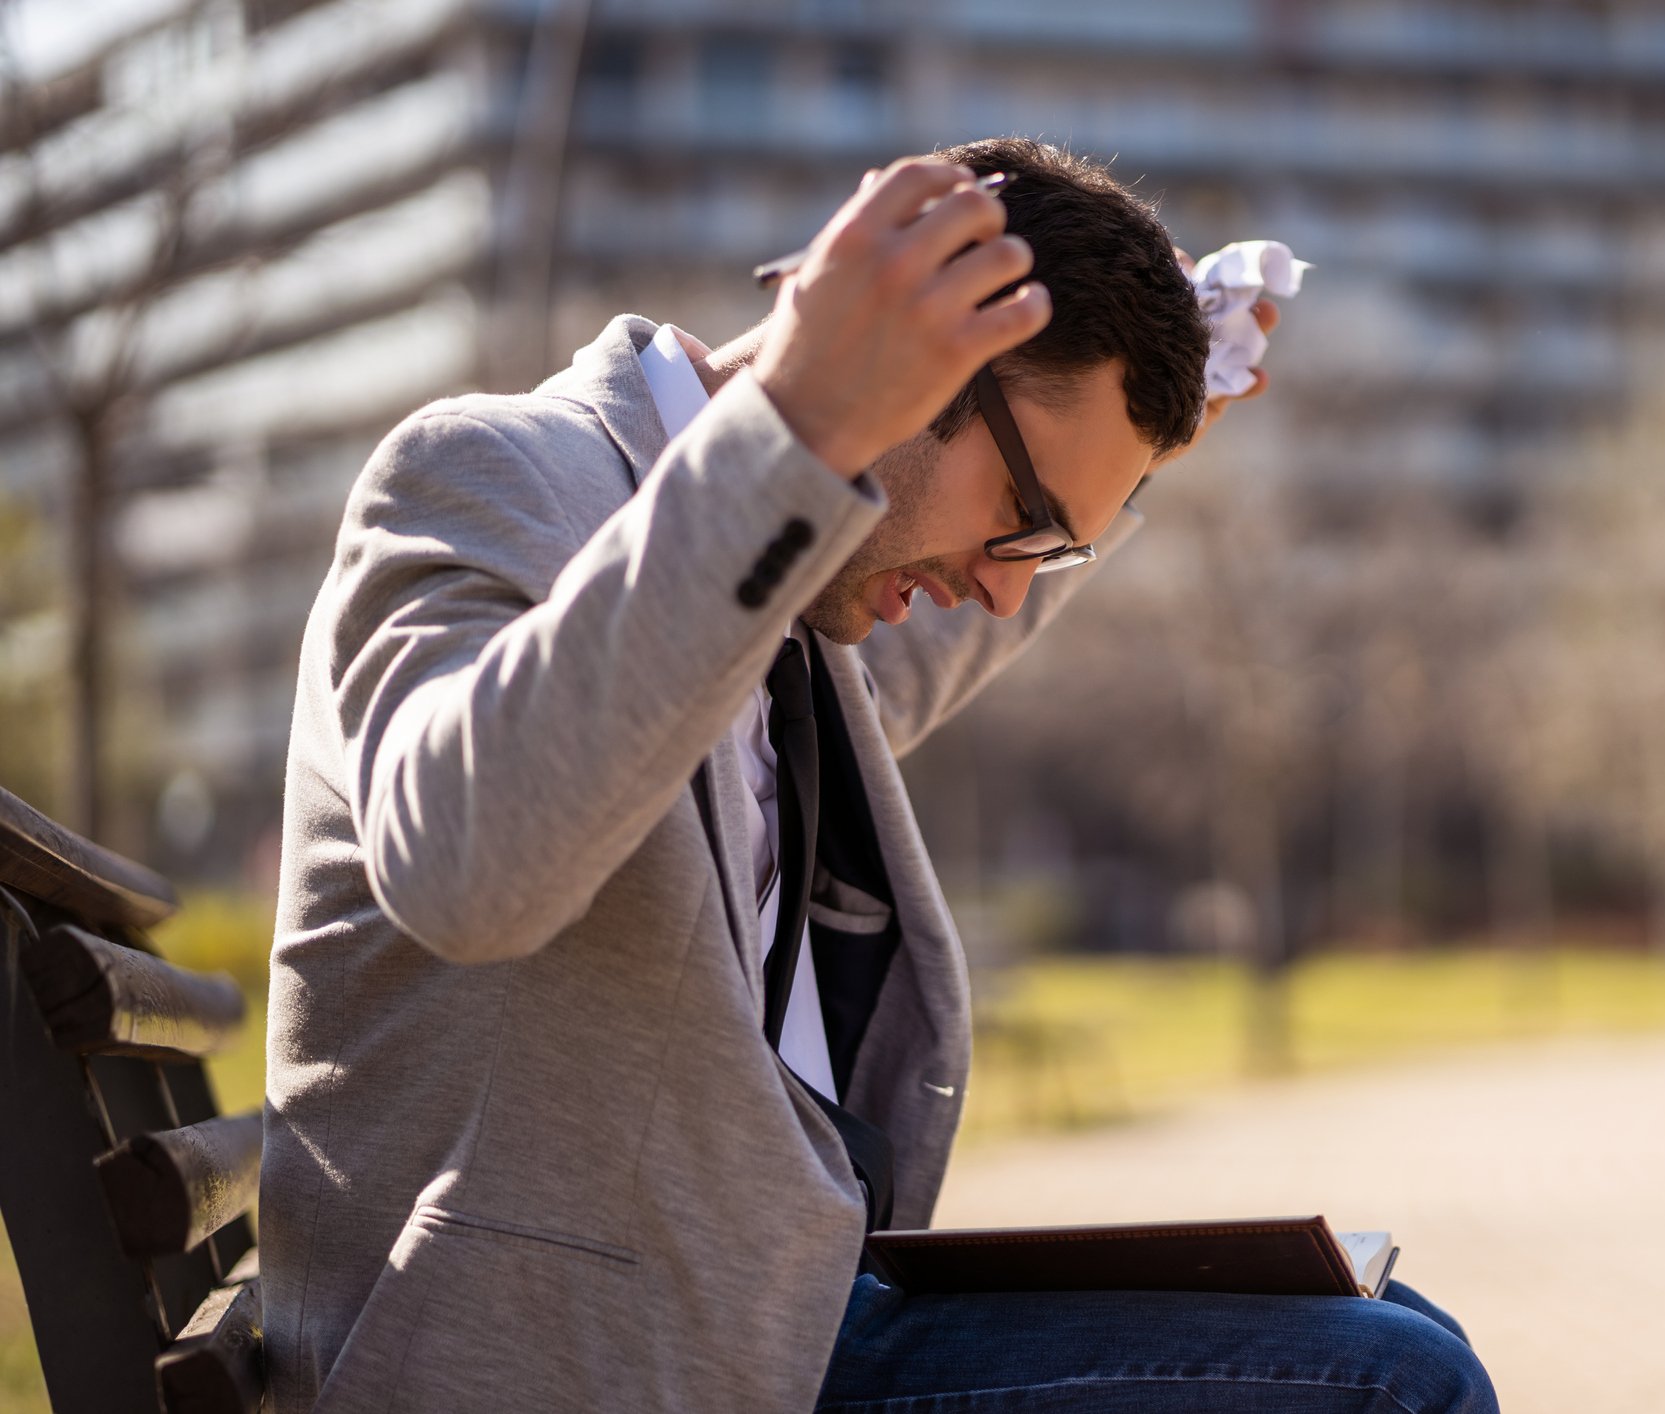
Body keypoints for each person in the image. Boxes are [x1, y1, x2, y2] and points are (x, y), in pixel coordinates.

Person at [260, 136, 1496, 1413]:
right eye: (1026, 523)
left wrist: (1106, 474)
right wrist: (797, 425)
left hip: (753, 1317)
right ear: (918, 364)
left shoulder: (791, 598)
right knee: (1390, 1387)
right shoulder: (496, 472)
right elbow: (462, 864)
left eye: (1056, 550)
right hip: (549, 1354)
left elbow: (927, 619)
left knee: (1392, 1323)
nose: (1012, 580)